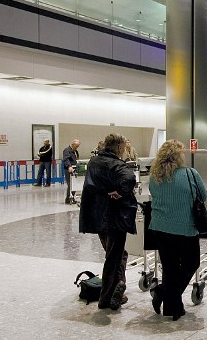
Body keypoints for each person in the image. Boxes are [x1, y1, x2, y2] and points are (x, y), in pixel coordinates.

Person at [149, 139, 207, 321]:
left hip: (160, 228)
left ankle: (171, 304)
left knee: (170, 268)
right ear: (178, 156)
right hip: (185, 228)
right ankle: (164, 296)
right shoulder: (190, 174)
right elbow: (203, 195)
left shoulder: (155, 176)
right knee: (191, 263)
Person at [79, 133, 137, 311]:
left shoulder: (94, 162)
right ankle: (108, 296)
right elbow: (129, 179)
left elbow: (91, 186)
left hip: (97, 216)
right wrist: (120, 192)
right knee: (114, 257)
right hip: (115, 217)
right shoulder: (117, 164)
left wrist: (106, 191)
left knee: (117, 254)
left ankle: (117, 286)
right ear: (119, 147)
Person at [63, 139, 80, 204]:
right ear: (72, 144)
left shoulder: (75, 151)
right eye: (76, 146)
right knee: (70, 184)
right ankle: (68, 199)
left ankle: (72, 198)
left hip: (74, 169)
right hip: (68, 169)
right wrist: (69, 166)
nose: (77, 147)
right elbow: (66, 159)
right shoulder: (66, 150)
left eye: (78, 146)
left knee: (74, 184)